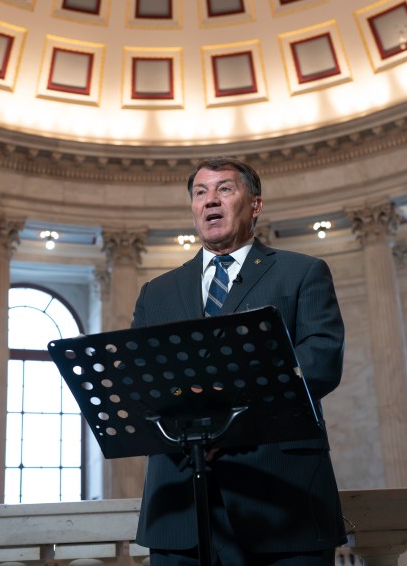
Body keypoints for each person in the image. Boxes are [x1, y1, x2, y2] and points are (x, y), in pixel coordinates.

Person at [131, 156, 347, 565]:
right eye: (200, 192)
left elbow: (320, 362)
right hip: (180, 508)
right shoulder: (155, 293)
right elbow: (144, 382)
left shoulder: (302, 273)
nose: (210, 200)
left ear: (255, 204)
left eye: (224, 189)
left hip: (282, 498)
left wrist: (228, 421)